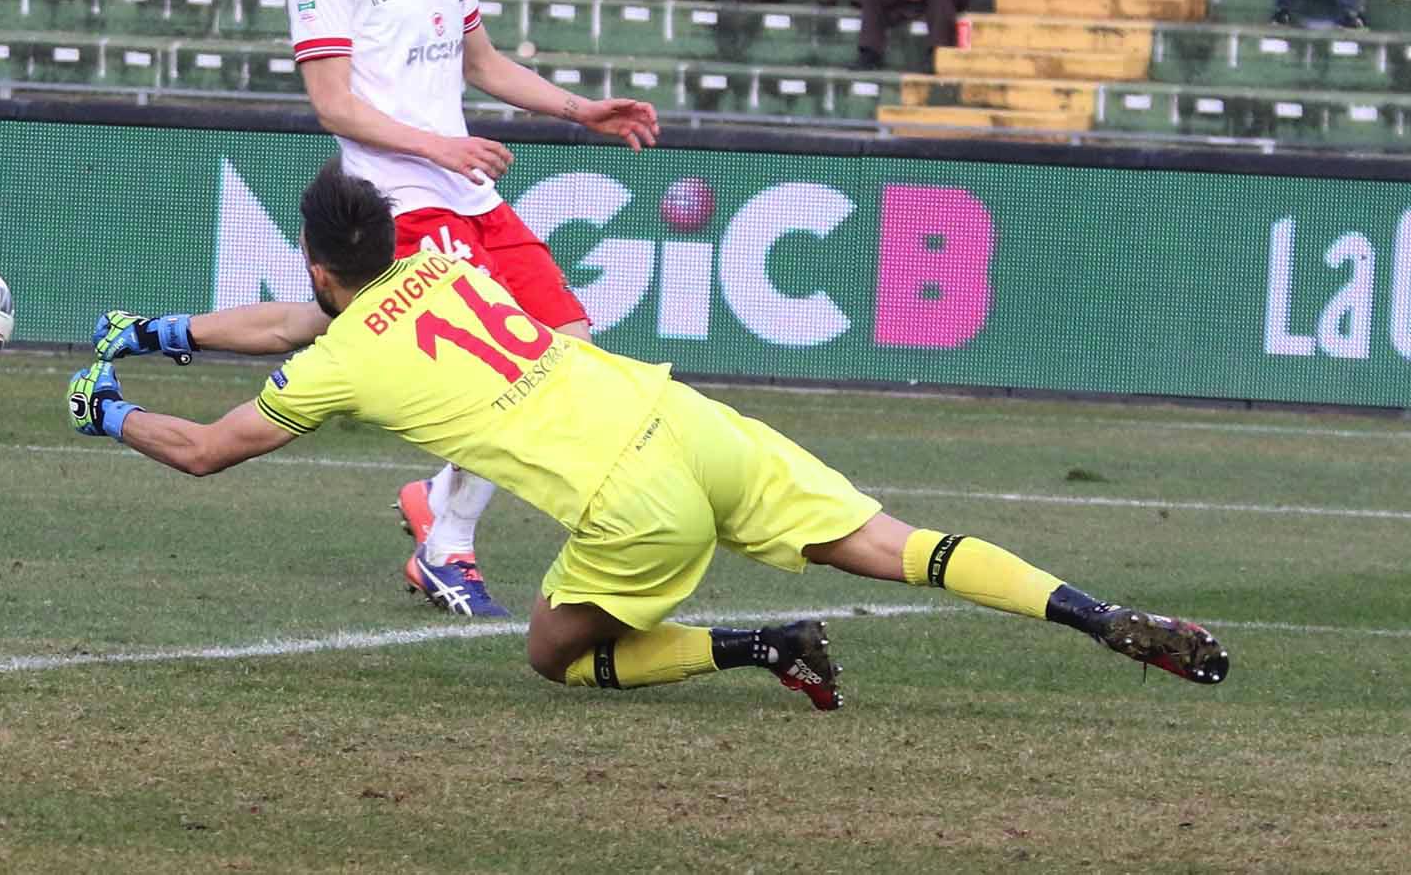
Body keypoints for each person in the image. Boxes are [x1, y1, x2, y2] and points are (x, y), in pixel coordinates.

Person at [69, 160, 1234, 704]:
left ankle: (753, 644)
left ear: (324, 264)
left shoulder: (338, 356)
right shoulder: (442, 262)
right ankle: (1087, 611)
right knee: (899, 541)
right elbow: (293, 315)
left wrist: (108, 408)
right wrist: (166, 327)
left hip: (632, 501)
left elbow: (208, 448)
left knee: (552, 653)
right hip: (683, 415)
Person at [267, 0, 657, 615]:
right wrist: (440, 143)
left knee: (572, 343)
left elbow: (482, 64)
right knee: (503, 371)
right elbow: (333, 102)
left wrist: (580, 107)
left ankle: (435, 505)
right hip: (399, 197)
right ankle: (446, 546)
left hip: (469, 190)